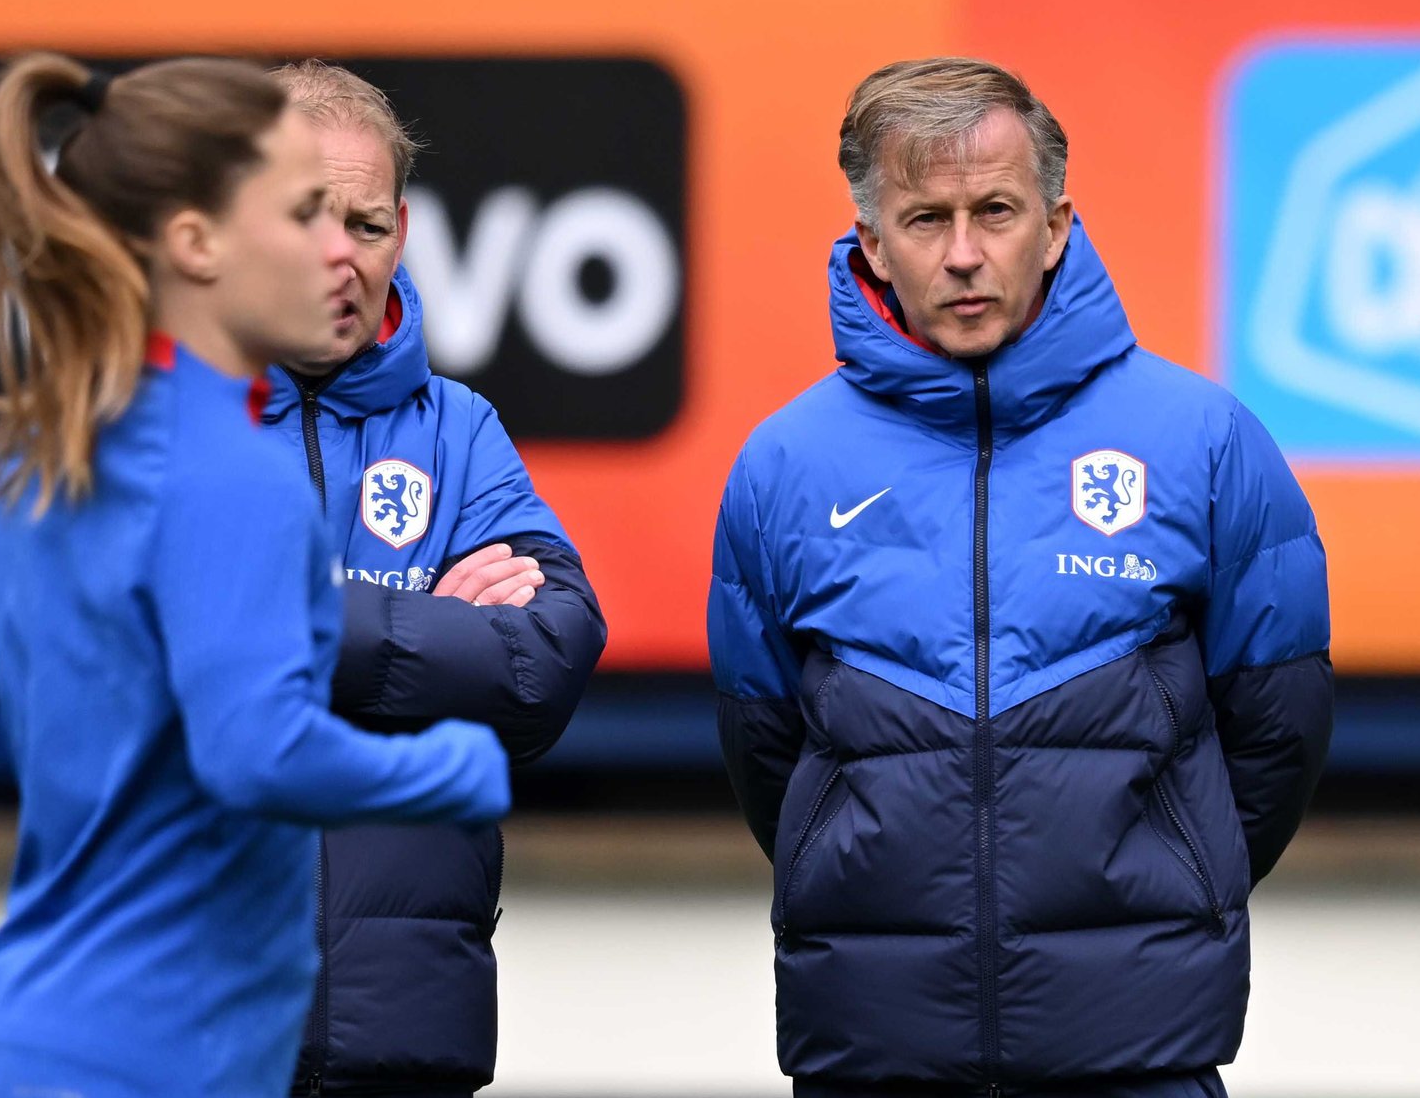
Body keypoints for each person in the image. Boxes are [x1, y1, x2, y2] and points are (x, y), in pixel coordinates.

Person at [0, 52, 510, 1098]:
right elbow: (255, 753)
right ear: (196, 244)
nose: (334, 252)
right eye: (298, 214)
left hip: (18, 1047)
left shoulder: (41, 446)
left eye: (353, 221)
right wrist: (457, 768)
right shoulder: (232, 472)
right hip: (172, 1059)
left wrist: (130, 752)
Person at [708, 57, 1333, 1097]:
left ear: (1051, 226)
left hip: (1138, 1051)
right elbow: (766, 752)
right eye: (923, 219)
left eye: (993, 211)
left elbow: (1275, 734)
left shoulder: (1203, 442)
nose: (962, 254)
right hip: (876, 1047)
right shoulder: (784, 467)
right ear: (870, 242)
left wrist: (1156, 883)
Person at [262, 60, 608, 1098]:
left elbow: (546, 661)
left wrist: (309, 637)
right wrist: (430, 627)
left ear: (401, 235)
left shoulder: (459, 430)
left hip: (404, 1039)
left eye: (365, 226)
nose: (337, 257)